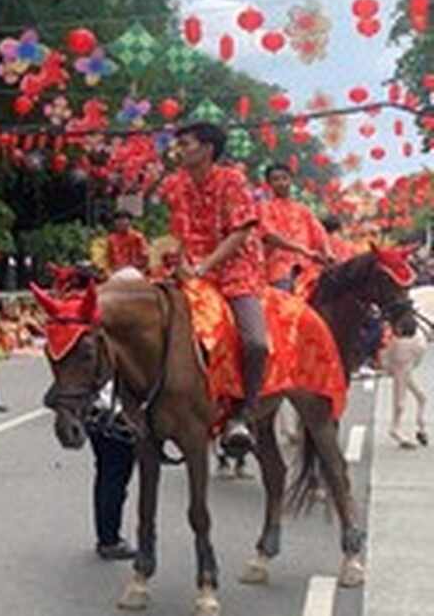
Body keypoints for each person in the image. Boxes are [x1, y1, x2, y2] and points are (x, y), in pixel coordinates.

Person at [161, 123, 267, 457]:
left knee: (255, 342)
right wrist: (178, 267)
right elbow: (176, 234)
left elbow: (240, 233)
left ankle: (242, 412)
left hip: (234, 272)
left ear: (207, 149)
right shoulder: (175, 186)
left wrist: (205, 265)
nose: (179, 150)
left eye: (186, 144)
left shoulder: (232, 180)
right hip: (190, 273)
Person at [257, 164, 332, 292]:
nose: (281, 183)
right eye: (275, 179)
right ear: (269, 184)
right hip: (279, 269)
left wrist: (329, 252)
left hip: (308, 268)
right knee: (284, 302)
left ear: (291, 180)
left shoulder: (303, 210)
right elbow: (269, 236)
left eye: (284, 178)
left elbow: (320, 233)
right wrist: (302, 249)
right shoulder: (263, 208)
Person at [88, 380, 136, 560]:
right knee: (115, 477)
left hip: (95, 413)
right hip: (113, 417)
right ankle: (109, 539)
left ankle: (105, 535)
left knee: (104, 474)